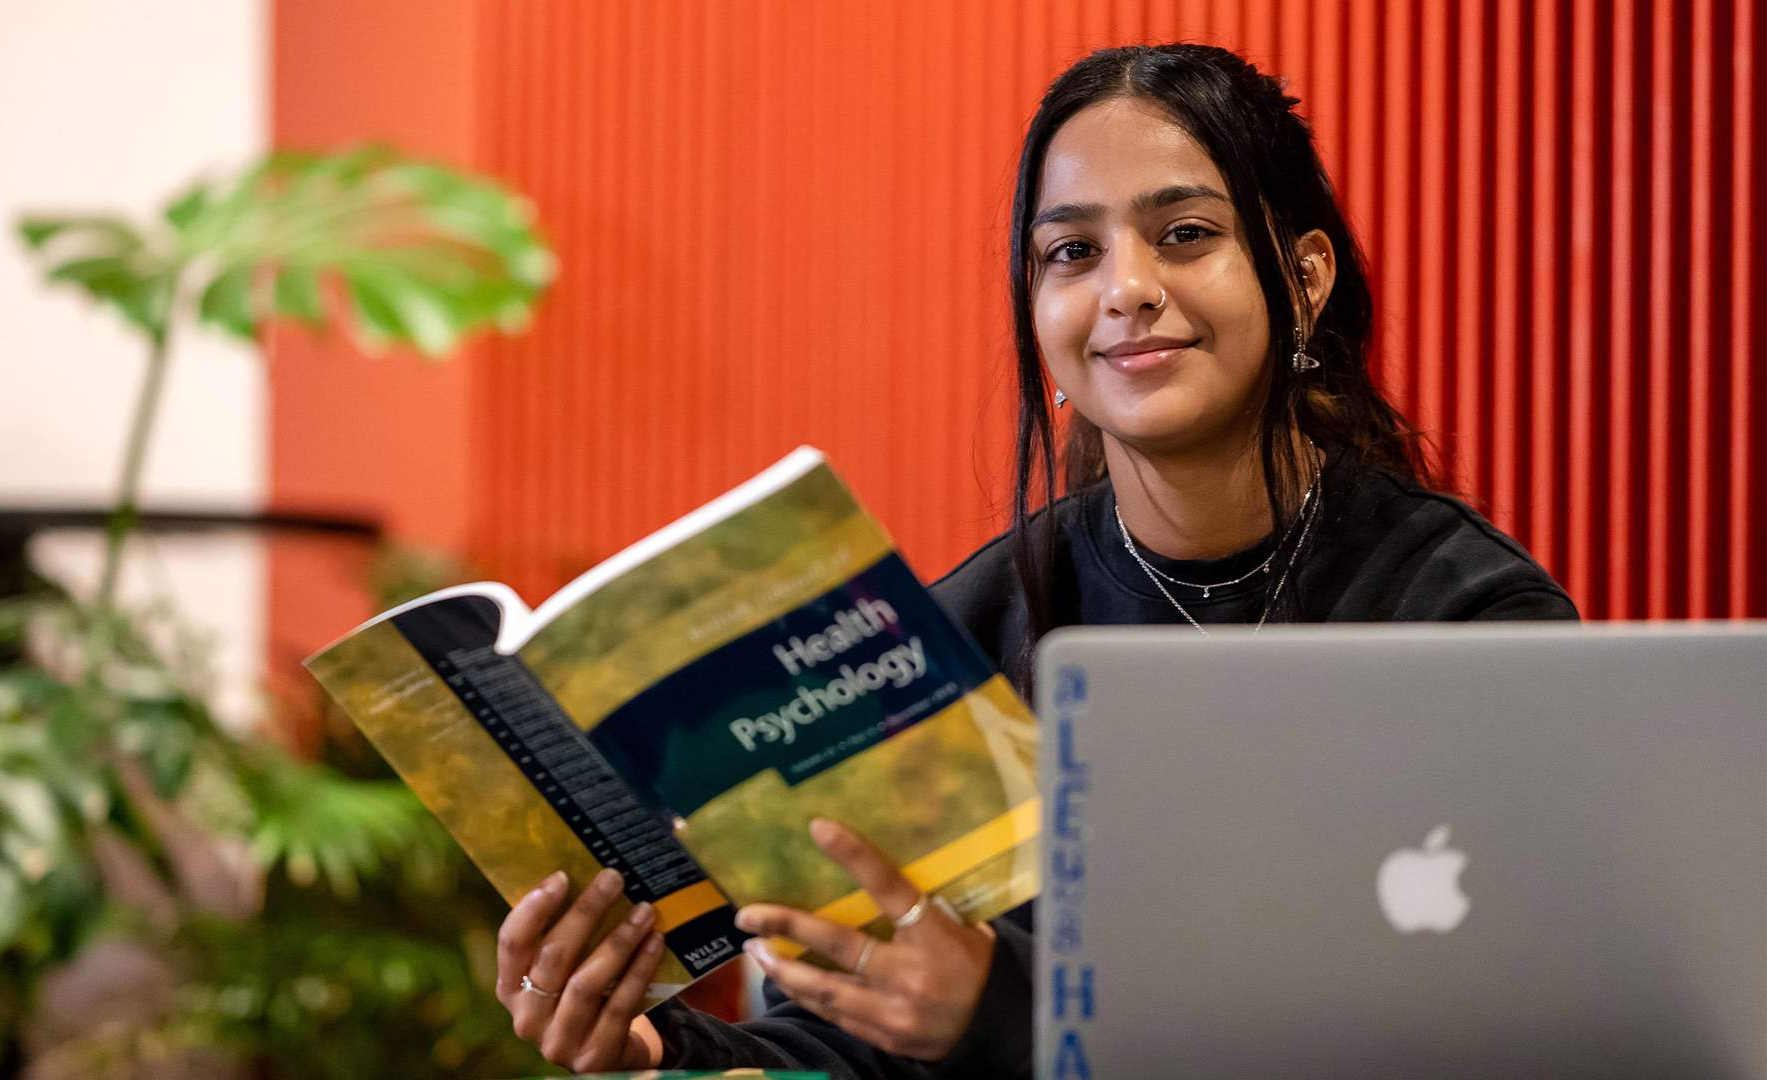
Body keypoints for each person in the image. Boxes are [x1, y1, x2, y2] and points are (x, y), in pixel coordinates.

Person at [491, 42, 1578, 1078]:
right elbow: (862, 1052)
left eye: (1186, 234)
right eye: (1073, 252)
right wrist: (661, 1051)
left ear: (1302, 277)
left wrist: (1013, 1013)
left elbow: (1485, 1035)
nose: (1126, 289)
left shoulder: (1466, 623)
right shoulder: (961, 633)